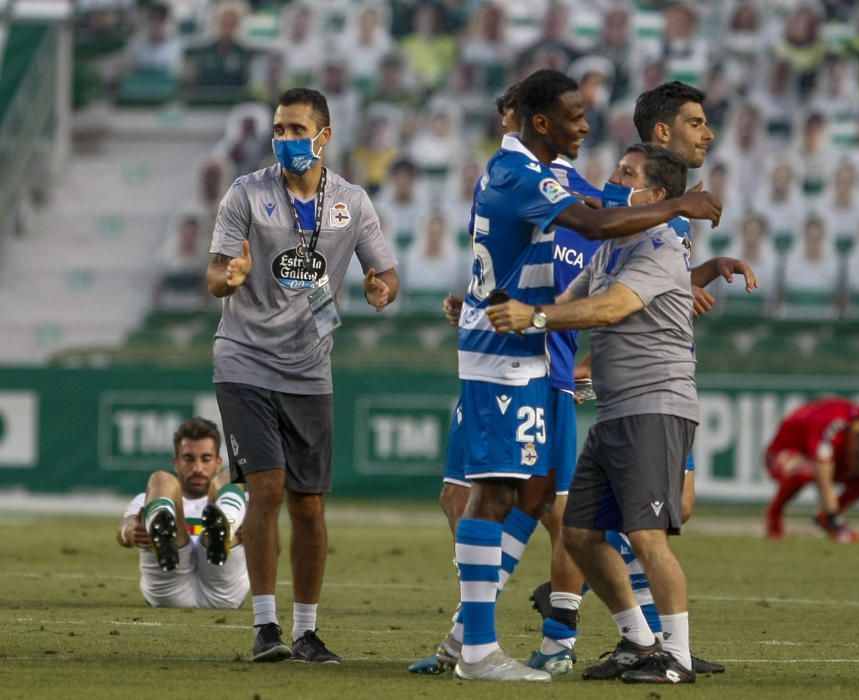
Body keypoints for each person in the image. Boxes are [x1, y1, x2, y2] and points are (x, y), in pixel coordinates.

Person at [447, 69, 721, 682]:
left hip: (558, 363)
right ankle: (475, 646)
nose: (586, 126)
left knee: (541, 498)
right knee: (498, 495)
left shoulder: (551, 186)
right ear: (542, 122)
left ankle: (622, 638)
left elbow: (590, 240)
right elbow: (595, 244)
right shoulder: (523, 174)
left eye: (627, 173)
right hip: (515, 353)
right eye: (575, 115)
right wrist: (683, 204)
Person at [486, 143, 702, 684]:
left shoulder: (658, 244)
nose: (610, 178)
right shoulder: (608, 249)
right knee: (580, 533)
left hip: (656, 405)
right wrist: (484, 305)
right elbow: (570, 304)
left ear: (653, 196)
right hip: (615, 410)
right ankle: (638, 640)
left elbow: (609, 308)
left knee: (646, 534)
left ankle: (677, 655)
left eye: (625, 173)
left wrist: (532, 317)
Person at [206, 87, 399, 664]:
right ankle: (266, 627)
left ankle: (307, 631)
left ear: (325, 136)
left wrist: (379, 289)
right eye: (279, 129)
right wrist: (231, 277)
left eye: (296, 129)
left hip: (311, 368)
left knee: (309, 506)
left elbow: (386, 274)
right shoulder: (245, 193)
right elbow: (215, 275)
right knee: (265, 488)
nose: (286, 139)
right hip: (243, 358)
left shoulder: (353, 203)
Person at [117, 417, 249, 609]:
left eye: (206, 459)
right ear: (176, 462)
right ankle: (161, 526)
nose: (197, 468)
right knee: (161, 479)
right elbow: (124, 527)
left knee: (231, 477)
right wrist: (129, 532)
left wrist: (256, 534)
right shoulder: (147, 497)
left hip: (222, 587)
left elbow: (273, 545)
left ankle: (226, 525)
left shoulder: (245, 502)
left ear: (218, 461)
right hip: (169, 581)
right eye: (188, 459)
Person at [764, 397, 859, 543]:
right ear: (852, 450)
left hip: (834, 457)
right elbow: (823, 479)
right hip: (785, 451)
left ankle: (825, 517)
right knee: (805, 471)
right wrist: (836, 524)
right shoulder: (830, 427)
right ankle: (774, 513)